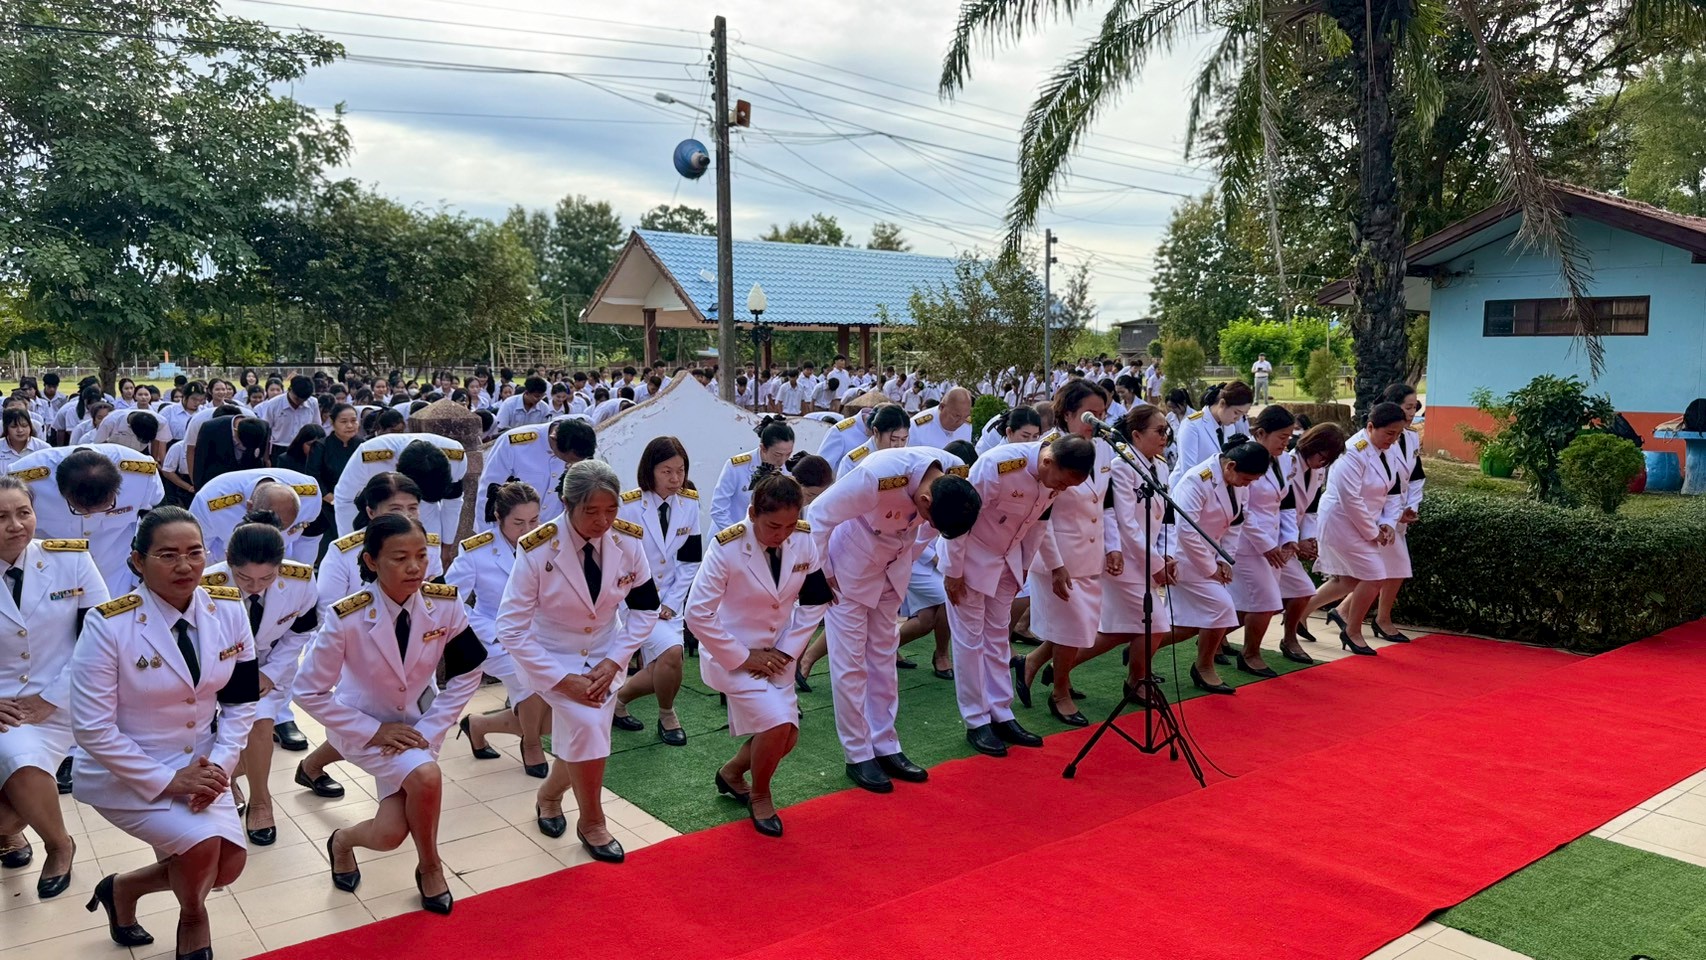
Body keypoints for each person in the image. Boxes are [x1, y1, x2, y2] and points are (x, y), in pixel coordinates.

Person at [71, 507, 259, 959]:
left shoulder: (227, 608)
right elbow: (92, 728)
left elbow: (241, 702)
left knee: (229, 865)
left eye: (195, 553)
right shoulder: (108, 624)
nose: (184, 566)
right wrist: (167, 780)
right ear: (138, 561)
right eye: (168, 555)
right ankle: (193, 918)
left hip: (204, 763)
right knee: (201, 848)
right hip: (127, 771)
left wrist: (220, 766)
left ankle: (123, 889)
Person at [296, 514, 486, 916]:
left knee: (388, 835)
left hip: (418, 726)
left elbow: (469, 670)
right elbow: (307, 691)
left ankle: (343, 841)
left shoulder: (444, 604)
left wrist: (432, 727)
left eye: (422, 556)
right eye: (400, 558)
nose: (415, 567)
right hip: (366, 730)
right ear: (371, 561)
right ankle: (431, 866)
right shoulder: (346, 617)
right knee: (426, 776)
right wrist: (374, 730)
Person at [496, 461, 663, 863]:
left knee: (583, 734)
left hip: (605, 656)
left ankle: (550, 795)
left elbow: (645, 608)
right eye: (591, 511)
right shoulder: (538, 548)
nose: (603, 521)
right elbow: (511, 628)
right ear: (566, 504)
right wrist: (561, 679)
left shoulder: (627, 541)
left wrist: (616, 659)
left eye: (611, 510)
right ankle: (592, 822)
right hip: (549, 657)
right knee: (588, 726)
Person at [804, 445, 981, 793]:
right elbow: (820, 513)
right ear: (925, 500)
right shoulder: (878, 476)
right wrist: (821, 572)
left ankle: (885, 744)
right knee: (851, 664)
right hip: (848, 568)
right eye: (929, 517)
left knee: (884, 660)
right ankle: (858, 754)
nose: (929, 524)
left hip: (893, 569)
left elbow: (929, 531)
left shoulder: (953, 474)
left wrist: (906, 559)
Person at [688, 474, 832, 836]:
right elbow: (697, 614)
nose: (782, 534)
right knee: (777, 726)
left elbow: (816, 600)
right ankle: (761, 794)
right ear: (752, 513)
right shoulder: (727, 547)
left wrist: (787, 650)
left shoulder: (803, 538)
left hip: (779, 654)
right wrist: (743, 656)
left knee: (788, 737)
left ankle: (732, 772)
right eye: (773, 526)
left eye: (789, 525)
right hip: (733, 656)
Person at [942, 434, 1091, 756]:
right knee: (970, 641)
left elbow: (1038, 525)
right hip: (970, 560)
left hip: (1006, 563)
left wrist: (1032, 567)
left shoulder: (1052, 476)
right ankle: (977, 720)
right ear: (1048, 461)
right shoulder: (999, 466)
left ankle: (1001, 713)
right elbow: (958, 518)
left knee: (998, 639)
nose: (1062, 489)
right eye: (1062, 483)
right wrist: (953, 570)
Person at [0, 477, 110, 899]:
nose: (15, 525)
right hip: (5, 704)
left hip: (64, 694)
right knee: (12, 784)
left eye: (23, 513)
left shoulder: (71, 559)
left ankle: (58, 844)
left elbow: (100, 639)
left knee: (20, 759)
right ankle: (14, 830)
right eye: (1, 517)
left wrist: (51, 699)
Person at [200, 517, 317, 847]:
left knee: (260, 723)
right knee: (218, 732)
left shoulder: (300, 580)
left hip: (270, 664)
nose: (255, 586)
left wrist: (271, 672)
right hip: (220, 665)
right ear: (228, 561)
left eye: (267, 577)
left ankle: (261, 800)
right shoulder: (206, 584)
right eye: (244, 577)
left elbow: (301, 632)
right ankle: (229, 776)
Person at [1015, 380, 1115, 728]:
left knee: (1077, 626)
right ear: (1068, 413)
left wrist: (1113, 547)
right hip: (1057, 557)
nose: (1096, 421)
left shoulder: (1102, 448)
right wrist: (1056, 564)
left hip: (1090, 553)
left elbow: (1104, 504)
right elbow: (1040, 518)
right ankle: (1060, 694)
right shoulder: (1048, 452)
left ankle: (1031, 663)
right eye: (1089, 414)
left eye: (1102, 414)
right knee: (1073, 627)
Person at [447, 483, 550, 778]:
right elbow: (449, 600)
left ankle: (479, 725)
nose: (527, 529)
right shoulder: (476, 551)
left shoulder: (548, 542)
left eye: (534, 520)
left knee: (557, 708)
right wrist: (493, 630)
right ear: (498, 517)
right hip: (496, 639)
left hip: (542, 636)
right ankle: (531, 744)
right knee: (533, 684)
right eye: (518, 523)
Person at [610, 438, 702, 745]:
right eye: (667, 471)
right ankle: (667, 714)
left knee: (669, 663)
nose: (676, 479)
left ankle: (619, 700)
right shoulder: (628, 506)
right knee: (672, 655)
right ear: (650, 470)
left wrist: (672, 603)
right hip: (635, 601)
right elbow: (620, 562)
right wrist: (647, 603)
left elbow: (690, 560)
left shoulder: (689, 503)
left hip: (671, 602)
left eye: (681, 470)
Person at [1166, 438, 1271, 693]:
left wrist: (1225, 559)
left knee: (1188, 625)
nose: (1248, 485)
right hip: (1185, 557)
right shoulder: (1196, 480)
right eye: (1246, 479)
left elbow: (1235, 524)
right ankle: (1204, 667)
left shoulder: (1237, 482)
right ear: (1230, 466)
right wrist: (1210, 568)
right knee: (1221, 609)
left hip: (1210, 557)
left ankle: (1141, 648)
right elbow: (1186, 531)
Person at [1306, 403, 1410, 655]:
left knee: (1349, 581)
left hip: (1367, 522)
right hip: (1342, 523)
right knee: (1374, 576)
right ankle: (1352, 630)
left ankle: (1299, 612)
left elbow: (1393, 492)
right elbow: (1350, 499)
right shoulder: (1352, 451)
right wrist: (1373, 532)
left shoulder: (1388, 449)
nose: (1393, 439)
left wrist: (1387, 523)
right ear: (1371, 427)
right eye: (1389, 433)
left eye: (1398, 434)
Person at [11, 444, 164, 596]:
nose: (92, 514)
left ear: (117, 487)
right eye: (79, 510)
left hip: (114, 574)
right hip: (52, 574)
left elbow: (156, 517)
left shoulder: (140, 473)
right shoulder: (24, 480)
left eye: (106, 507)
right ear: (62, 492)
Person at [1227, 406, 1305, 676]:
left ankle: (1212, 644)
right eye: (1282, 437)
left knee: (1250, 604)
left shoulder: (1282, 460)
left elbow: (1285, 502)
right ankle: (1250, 654)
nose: (1286, 443)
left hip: (1273, 542)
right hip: (1248, 544)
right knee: (1267, 602)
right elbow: (1242, 511)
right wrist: (1266, 544)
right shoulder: (1246, 457)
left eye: (1289, 437)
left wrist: (1290, 537)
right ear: (1261, 433)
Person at [1274, 424, 1347, 660]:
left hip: (1288, 543)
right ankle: (1218, 639)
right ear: (1312, 445)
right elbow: (1276, 509)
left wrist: (1307, 538)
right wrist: (1296, 539)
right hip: (1270, 539)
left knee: (1302, 590)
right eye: (1322, 456)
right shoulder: (1285, 464)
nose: (1322, 463)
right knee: (1256, 604)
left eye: (1328, 460)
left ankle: (1289, 639)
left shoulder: (1317, 472)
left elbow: (1310, 509)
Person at [332, 433, 466, 558]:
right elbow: (345, 499)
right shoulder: (368, 457)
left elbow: (453, 502)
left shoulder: (456, 457)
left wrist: (447, 545)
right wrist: (351, 548)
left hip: (427, 516)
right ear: (396, 468)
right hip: (379, 517)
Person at [474, 417, 595, 533]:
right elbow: (488, 491)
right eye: (566, 459)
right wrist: (488, 534)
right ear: (553, 439)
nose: (570, 463)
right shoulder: (514, 444)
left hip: (552, 530)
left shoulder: (581, 446)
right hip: (511, 531)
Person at [1373, 384, 1425, 643]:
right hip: (1381, 516)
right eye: (1408, 407)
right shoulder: (1379, 440)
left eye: (1415, 407)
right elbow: (1379, 484)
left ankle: (1376, 617)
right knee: (1376, 572)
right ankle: (1375, 618)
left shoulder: (1411, 438)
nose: (1413, 412)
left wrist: (1411, 506)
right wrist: (1391, 515)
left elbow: (1416, 476)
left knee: (1389, 570)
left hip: (1398, 514)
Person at [189, 469, 318, 565]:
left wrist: (302, 569)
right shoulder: (210, 502)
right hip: (231, 564)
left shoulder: (310, 495)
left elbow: (310, 537)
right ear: (249, 507)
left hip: (280, 561)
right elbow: (197, 549)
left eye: (282, 527)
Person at [710, 417, 794, 532]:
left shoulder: (789, 470)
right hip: (731, 533)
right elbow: (718, 509)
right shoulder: (737, 466)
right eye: (777, 454)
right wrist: (739, 535)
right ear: (763, 448)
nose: (783, 460)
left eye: (788, 454)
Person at [1171, 382, 1253, 486]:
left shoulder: (1229, 426)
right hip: (1188, 488)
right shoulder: (1192, 426)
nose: (1237, 419)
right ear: (1222, 404)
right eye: (1236, 412)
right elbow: (1188, 471)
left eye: (1242, 415)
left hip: (1215, 487)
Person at [189, 414, 271, 491]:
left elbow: (260, 458)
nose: (245, 449)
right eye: (243, 445)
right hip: (218, 481)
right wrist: (199, 488)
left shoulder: (264, 427)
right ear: (235, 432)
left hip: (247, 482)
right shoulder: (211, 428)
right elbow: (200, 460)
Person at [835, 403, 910, 476]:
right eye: (893, 439)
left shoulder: (909, 459)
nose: (899, 445)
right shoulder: (853, 463)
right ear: (876, 432)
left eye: (903, 439)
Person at [256, 377, 318, 460]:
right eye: (297, 398)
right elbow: (266, 431)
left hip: (304, 449)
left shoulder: (313, 403)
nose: (299, 402)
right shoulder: (273, 404)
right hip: (280, 448)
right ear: (290, 389)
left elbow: (317, 428)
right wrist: (266, 457)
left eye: (303, 400)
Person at [907, 386, 973, 449]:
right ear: (942, 407)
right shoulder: (916, 427)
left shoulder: (967, 423)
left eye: (965, 417)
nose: (960, 422)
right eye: (956, 416)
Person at [975, 404, 1043, 455]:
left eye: (1035, 436)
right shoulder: (994, 459)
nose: (1030, 442)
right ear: (1009, 432)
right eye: (1025, 436)